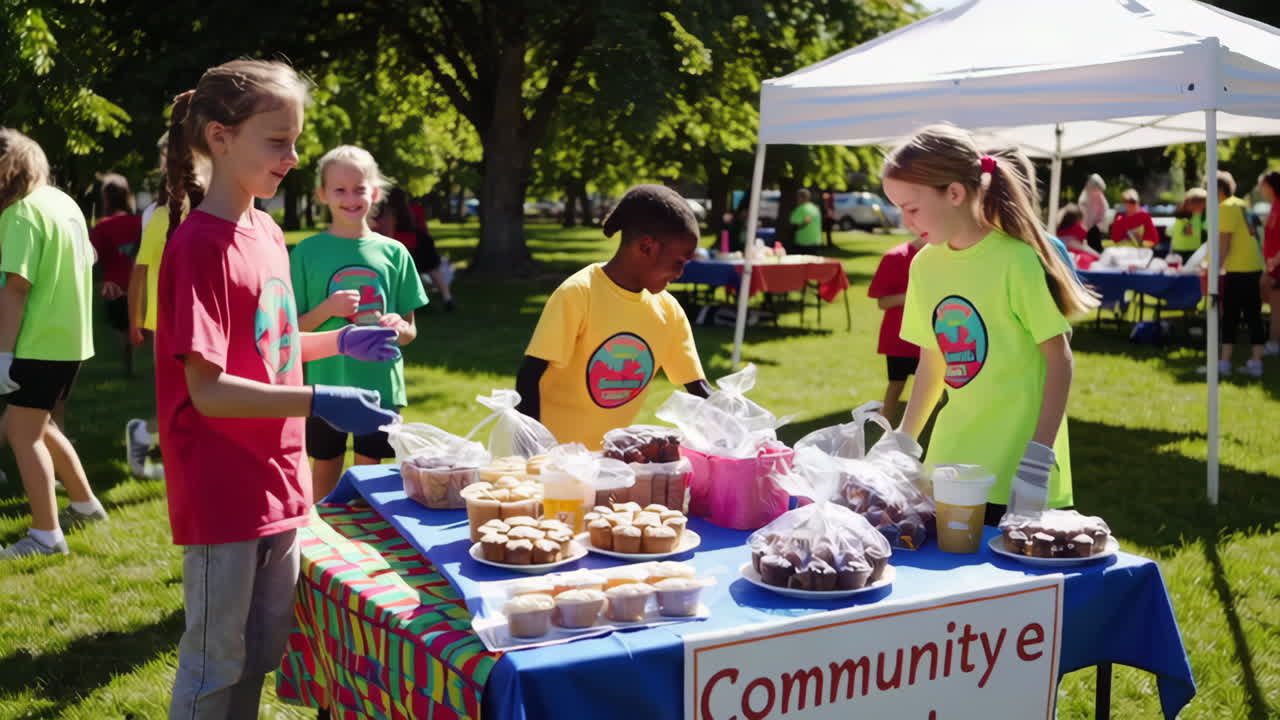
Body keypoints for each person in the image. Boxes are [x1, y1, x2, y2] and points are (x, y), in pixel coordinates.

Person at [155, 59, 400, 719]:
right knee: (215, 660)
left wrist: (338, 345)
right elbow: (209, 392)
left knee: (264, 649)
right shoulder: (198, 246)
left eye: (297, 141)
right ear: (218, 137)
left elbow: (277, 352)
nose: (293, 157)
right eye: (277, 141)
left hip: (280, 480)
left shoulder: (266, 231)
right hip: (223, 489)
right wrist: (321, 400)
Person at [884, 125, 1098, 527]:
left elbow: (1059, 358)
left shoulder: (1016, 261)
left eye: (911, 207)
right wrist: (904, 439)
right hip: (950, 468)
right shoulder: (924, 266)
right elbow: (933, 363)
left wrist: (1039, 456)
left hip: (1020, 471)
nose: (904, 221)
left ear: (954, 193)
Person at [516, 184, 711, 448]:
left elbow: (699, 389)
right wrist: (536, 452)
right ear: (646, 247)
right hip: (553, 458)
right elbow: (529, 376)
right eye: (679, 261)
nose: (680, 273)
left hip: (607, 460)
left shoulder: (669, 312)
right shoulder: (579, 293)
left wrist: (739, 429)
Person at [291, 147, 430, 499]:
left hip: (380, 388)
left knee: (371, 474)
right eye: (339, 190)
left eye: (359, 188)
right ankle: (319, 529)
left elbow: (411, 333)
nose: (351, 198)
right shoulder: (306, 253)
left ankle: (366, 542)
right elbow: (290, 332)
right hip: (325, 384)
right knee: (325, 466)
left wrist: (399, 326)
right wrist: (329, 308)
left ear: (376, 193)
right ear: (321, 195)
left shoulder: (394, 252)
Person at [0, 128, 109, 558]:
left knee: (21, 433)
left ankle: (45, 535)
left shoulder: (20, 213)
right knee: (38, 424)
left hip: (36, 342)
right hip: (70, 342)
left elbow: (15, 289)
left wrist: (3, 354)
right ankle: (85, 505)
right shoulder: (63, 203)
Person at [867, 235, 926, 422]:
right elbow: (883, 302)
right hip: (899, 338)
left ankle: (927, 427)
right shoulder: (896, 257)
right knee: (896, 384)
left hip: (931, 337)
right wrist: (915, 295)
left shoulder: (946, 256)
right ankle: (885, 425)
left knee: (932, 386)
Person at [1213, 170, 1266, 377]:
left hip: (1237, 269)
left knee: (1230, 317)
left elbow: (1224, 240)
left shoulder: (1225, 207)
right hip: (1254, 267)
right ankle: (1256, 363)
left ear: (1218, 189)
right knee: (1254, 316)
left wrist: (1217, 268)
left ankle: (1224, 363)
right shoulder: (1243, 204)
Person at [90, 173, 142, 375]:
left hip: (113, 287)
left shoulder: (102, 227)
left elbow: (93, 257)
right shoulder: (139, 222)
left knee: (119, 327)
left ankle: (127, 358)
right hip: (138, 283)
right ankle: (134, 358)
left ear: (105, 199)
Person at [384, 187, 454, 310]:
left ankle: (422, 301)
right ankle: (447, 297)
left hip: (406, 246)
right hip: (423, 242)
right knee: (433, 271)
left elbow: (389, 234)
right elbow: (424, 228)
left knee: (413, 273)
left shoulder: (390, 213)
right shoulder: (416, 209)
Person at [1258, 171, 1280, 356]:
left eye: (1262, 184)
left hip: (1277, 266)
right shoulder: (1274, 206)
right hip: (1272, 266)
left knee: (1276, 307)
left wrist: (1276, 259)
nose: (1260, 188)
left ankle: (1273, 344)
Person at [1169, 188, 1207, 257]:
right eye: (1203, 205)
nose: (1205, 207)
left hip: (1192, 250)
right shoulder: (1185, 216)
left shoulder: (1196, 215)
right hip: (1183, 252)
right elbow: (1192, 231)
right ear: (1194, 204)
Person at [1079, 173, 1108, 252]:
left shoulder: (1101, 198)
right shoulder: (1085, 196)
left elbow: (1104, 212)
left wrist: (1097, 224)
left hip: (1095, 228)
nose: (1098, 192)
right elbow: (1082, 209)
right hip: (1085, 227)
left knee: (1095, 245)